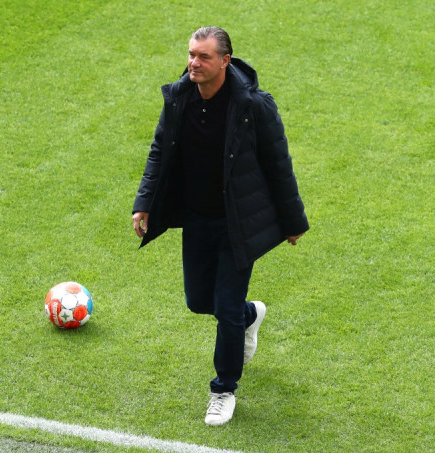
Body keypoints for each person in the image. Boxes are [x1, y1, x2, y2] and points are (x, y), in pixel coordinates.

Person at [132, 26, 309, 426]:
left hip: (237, 222)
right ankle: (250, 316)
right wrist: (144, 204)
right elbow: (160, 149)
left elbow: (278, 163)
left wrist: (293, 221)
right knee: (199, 301)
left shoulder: (254, 105)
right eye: (191, 55)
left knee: (225, 307)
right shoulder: (179, 97)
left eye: (204, 57)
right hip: (197, 218)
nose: (193, 63)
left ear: (225, 61)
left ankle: (223, 389)